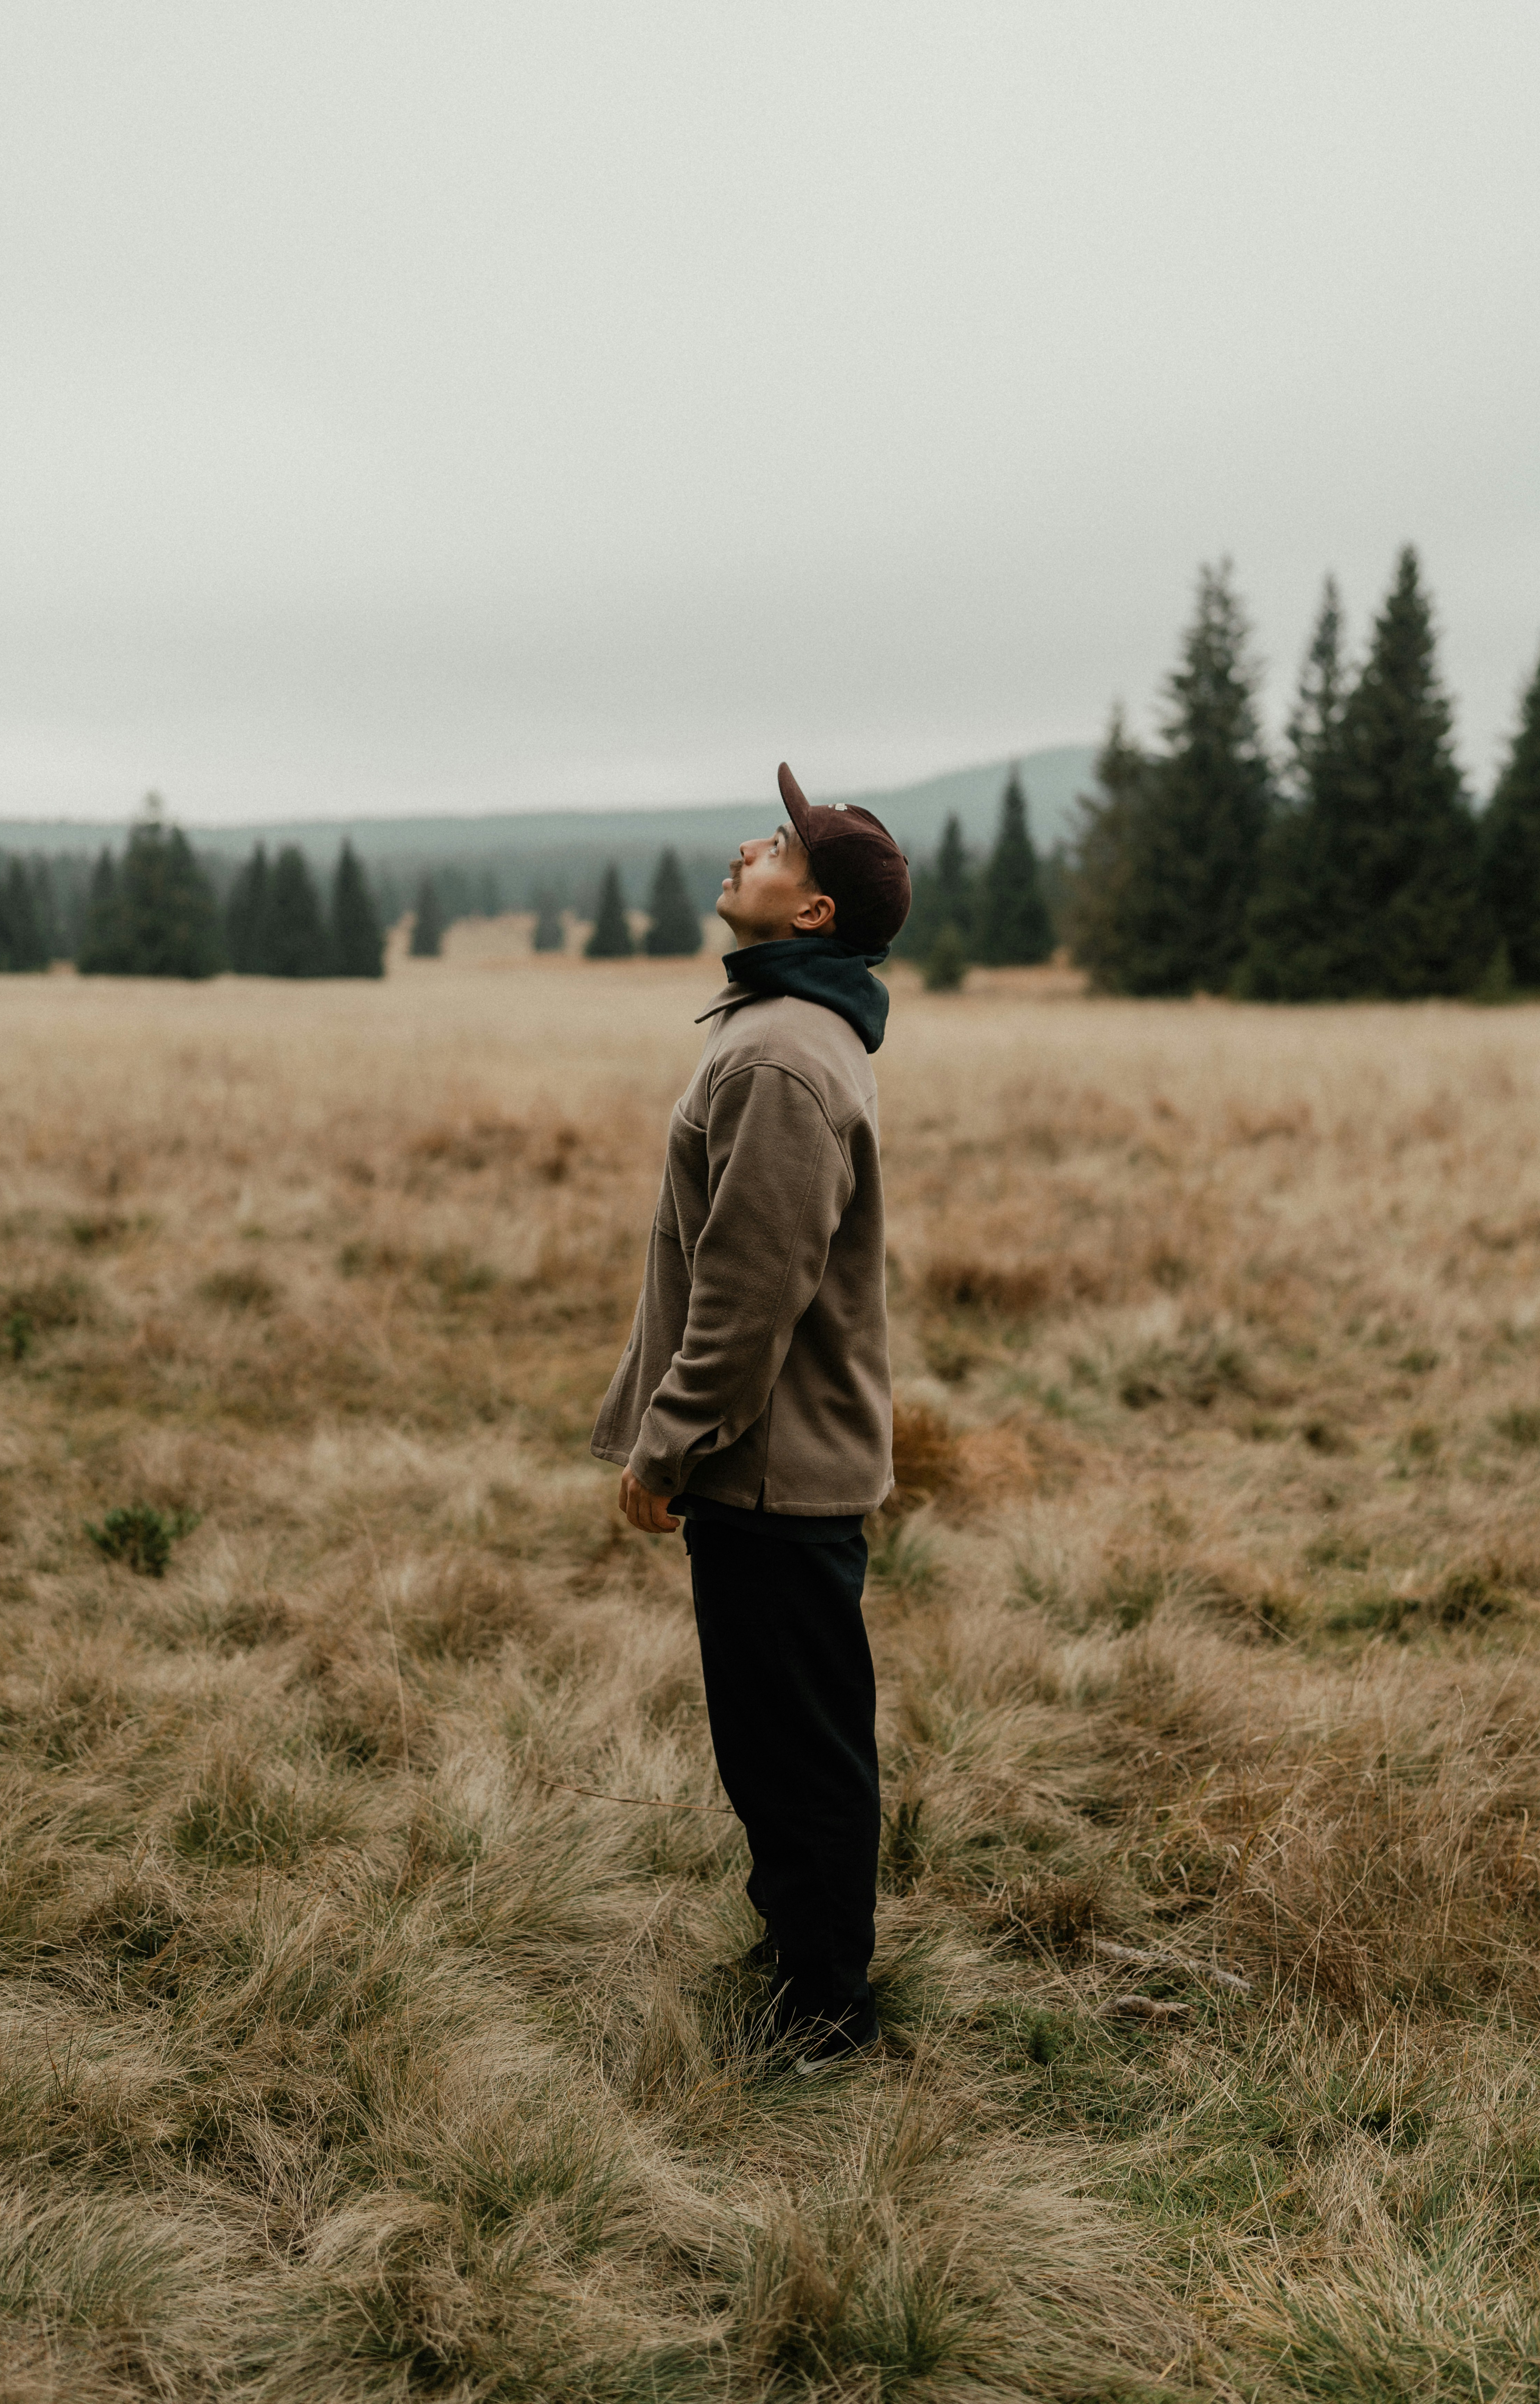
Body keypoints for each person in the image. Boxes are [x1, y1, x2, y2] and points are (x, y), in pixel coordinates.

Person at [591, 762, 911, 2067]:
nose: (748, 850)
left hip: (765, 1472)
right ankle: (800, 1962)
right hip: (770, 1470)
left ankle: (820, 2012)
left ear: (815, 913)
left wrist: (665, 1444)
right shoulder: (783, 1027)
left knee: (794, 1753)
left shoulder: (780, 1054)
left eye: (778, 845)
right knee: (783, 1742)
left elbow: (748, 1293)